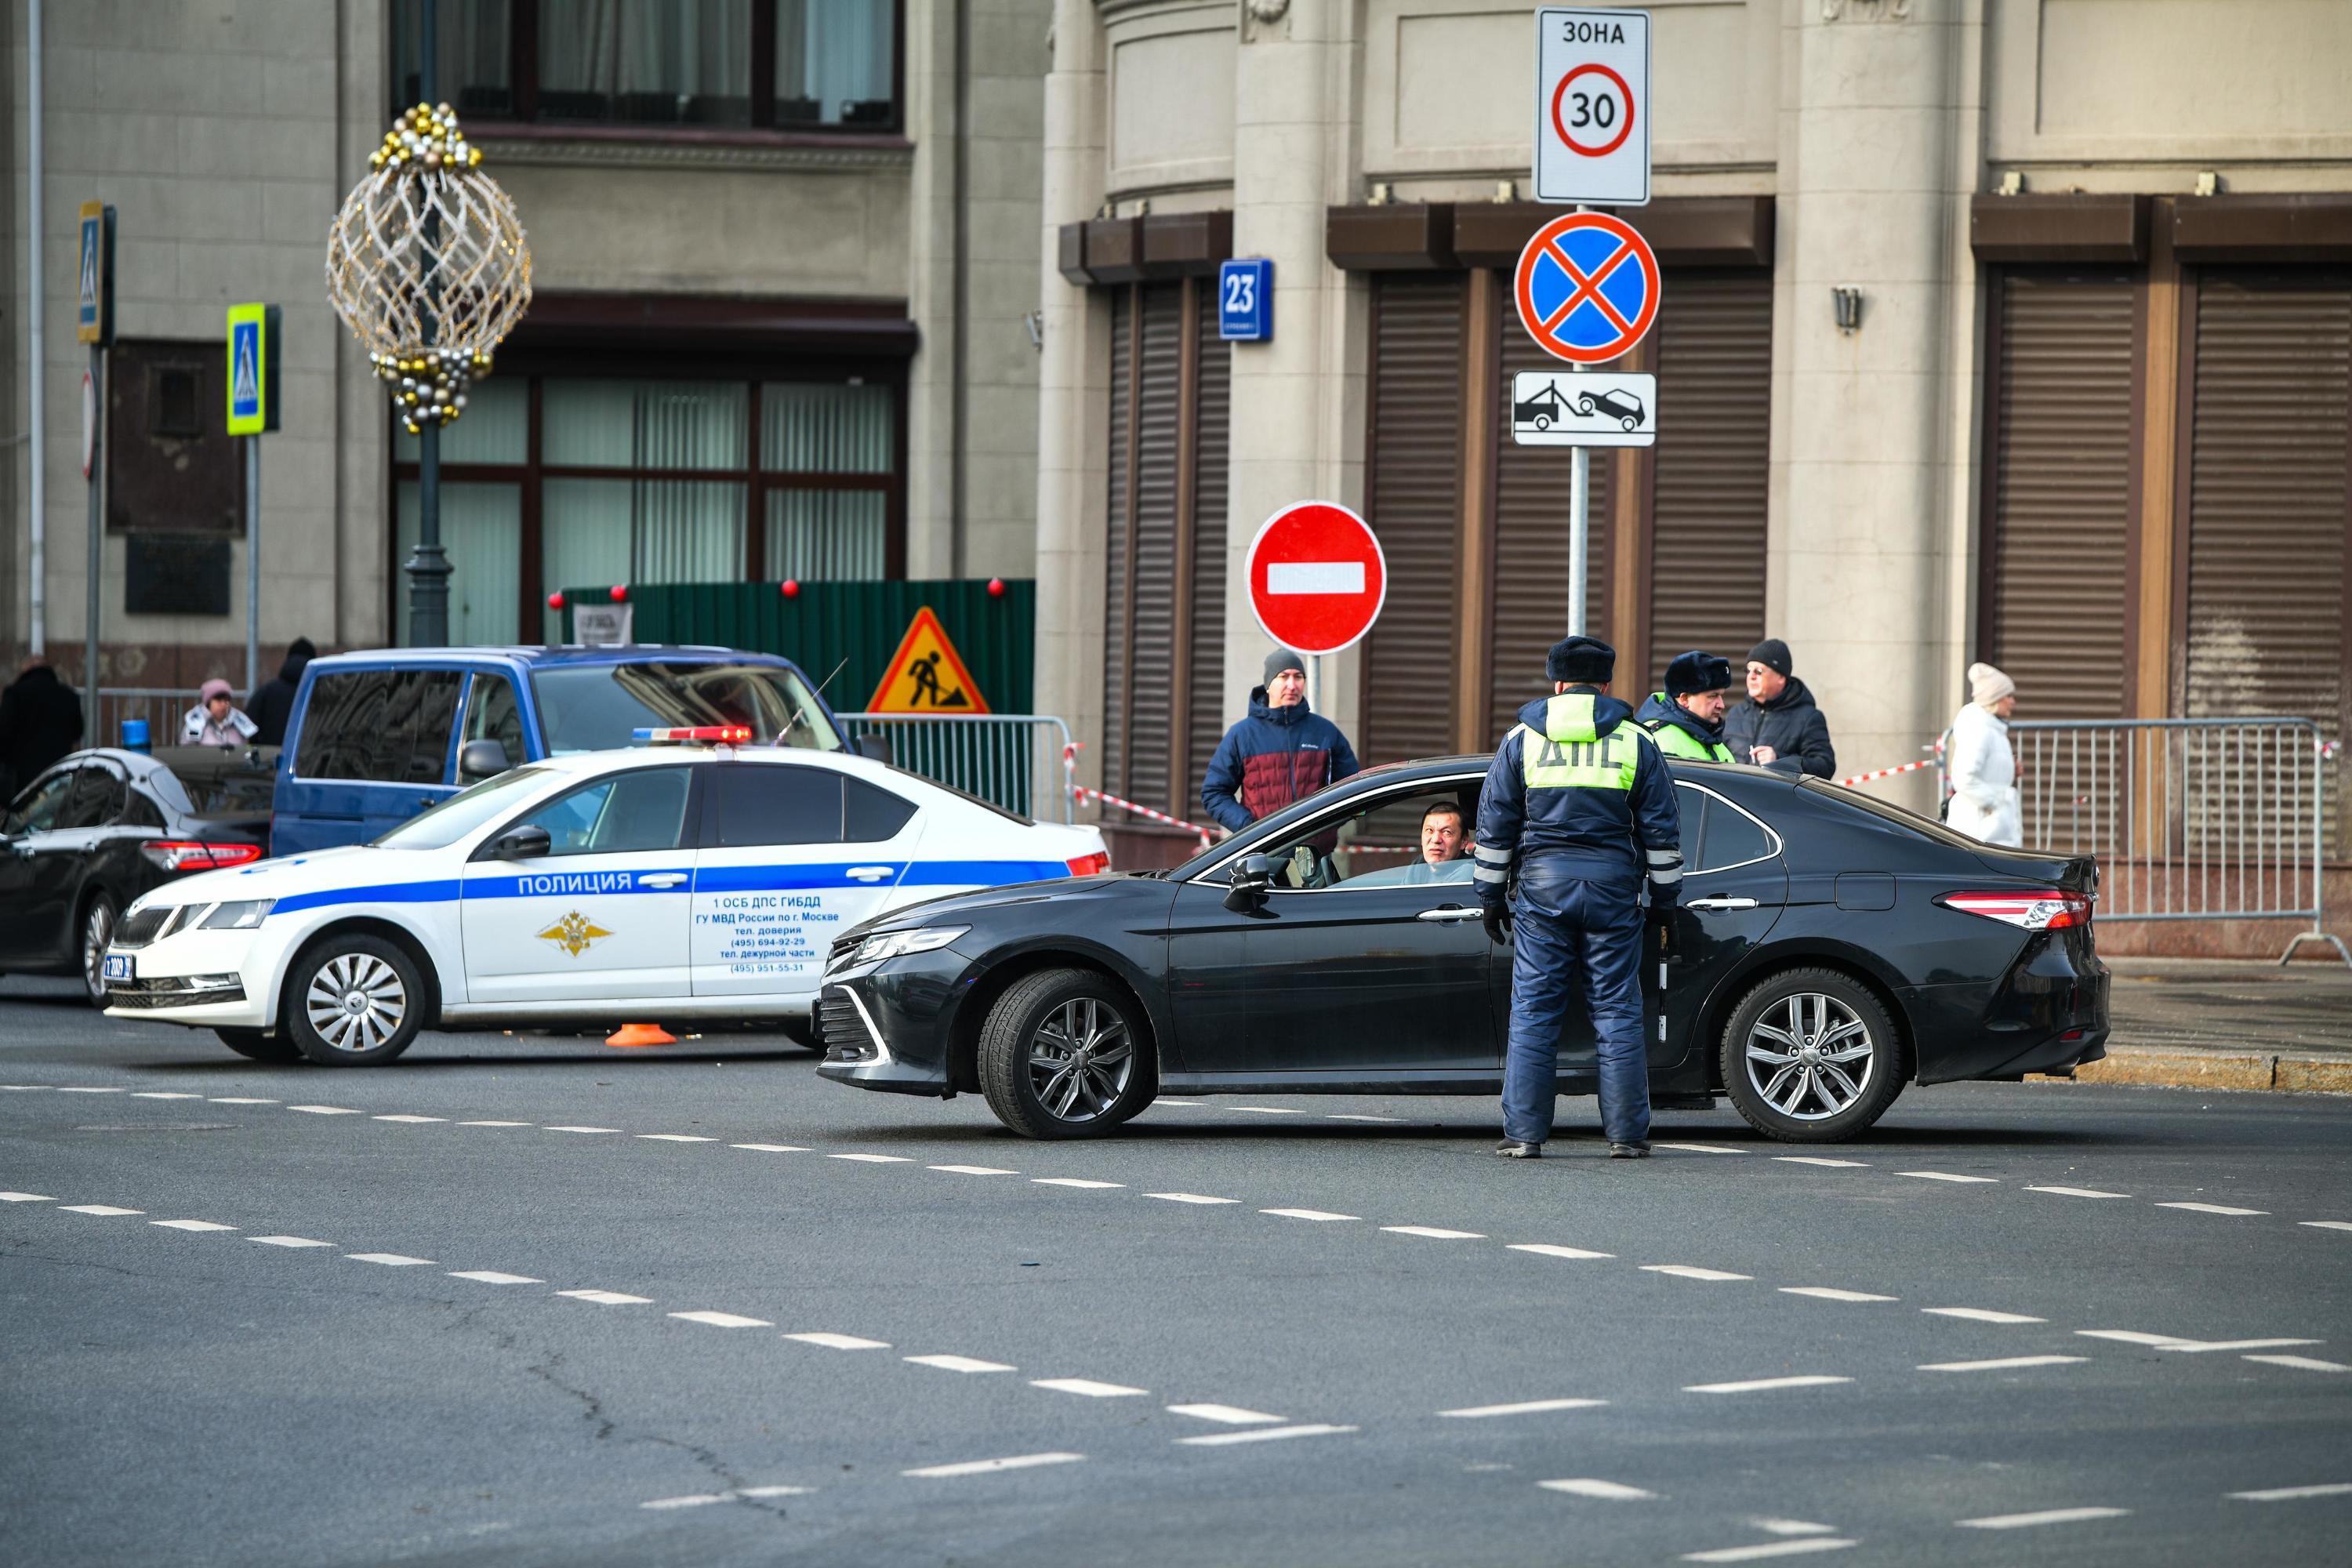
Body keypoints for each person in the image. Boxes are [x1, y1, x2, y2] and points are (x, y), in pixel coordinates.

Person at [1475, 635, 1682, 1160]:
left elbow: (1495, 825)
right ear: (1606, 686)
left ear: (1558, 684)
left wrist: (1491, 896)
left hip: (1543, 892)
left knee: (1535, 1012)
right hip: (1614, 890)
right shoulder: (1637, 742)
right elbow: (1662, 831)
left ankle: (1524, 1136)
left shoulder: (1521, 740)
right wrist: (1664, 903)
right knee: (1616, 1009)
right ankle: (1627, 1136)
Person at [1201, 648, 1361, 833]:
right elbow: (1214, 794)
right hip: (1261, 855)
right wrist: (1249, 828)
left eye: (1298, 677)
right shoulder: (1242, 735)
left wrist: (1325, 825)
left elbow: (1354, 789)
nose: (1292, 686)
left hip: (1316, 855)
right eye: (1284, 677)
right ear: (1269, 684)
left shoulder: (1325, 732)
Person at [1722, 638, 1836, 778]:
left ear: (1781, 677)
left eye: (1758, 671)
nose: (1751, 676)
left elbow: (1825, 767)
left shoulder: (1808, 718)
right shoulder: (1736, 713)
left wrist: (1780, 760)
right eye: (1748, 670)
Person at [1946, 662, 2021, 846]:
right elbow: (1963, 777)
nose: (2013, 702)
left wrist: (2011, 772)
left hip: (1993, 827)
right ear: (1994, 698)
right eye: (2008, 696)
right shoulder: (1980, 730)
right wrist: (1995, 803)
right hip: (1980, 828)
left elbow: (1988, 775)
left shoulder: (1994, 730)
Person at [0, 658, 85, 799]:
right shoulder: (68, 695)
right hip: (58, 770)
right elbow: (78, 731)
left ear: (25, 672)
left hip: (23, 776)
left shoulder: (15, 694)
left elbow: (4, 733)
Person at [1634, 651, 1737, 762]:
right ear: (1685, 699)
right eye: (1713, 696)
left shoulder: (1716, 743)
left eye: (1721, 696)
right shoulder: (1659, 741)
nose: (1721, 705)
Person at [248, 637, 315, 747]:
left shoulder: (267, 692)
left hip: (271, 758)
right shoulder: (319, 693)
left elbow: (249, 727)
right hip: (309, 759)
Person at [1401, 799, 1473, 884]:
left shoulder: (1468, 871)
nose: (1435, 840)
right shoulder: (1419, 865)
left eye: (1447, 832)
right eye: (1429, 830)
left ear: (1464, 841)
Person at [182, 678, 259, 747]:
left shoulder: (240, 722)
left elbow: (249, 748)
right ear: (208, 702)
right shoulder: (195, 723)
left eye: (226, 700)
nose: (223, 704)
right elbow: (188, 751)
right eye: (218, 700)